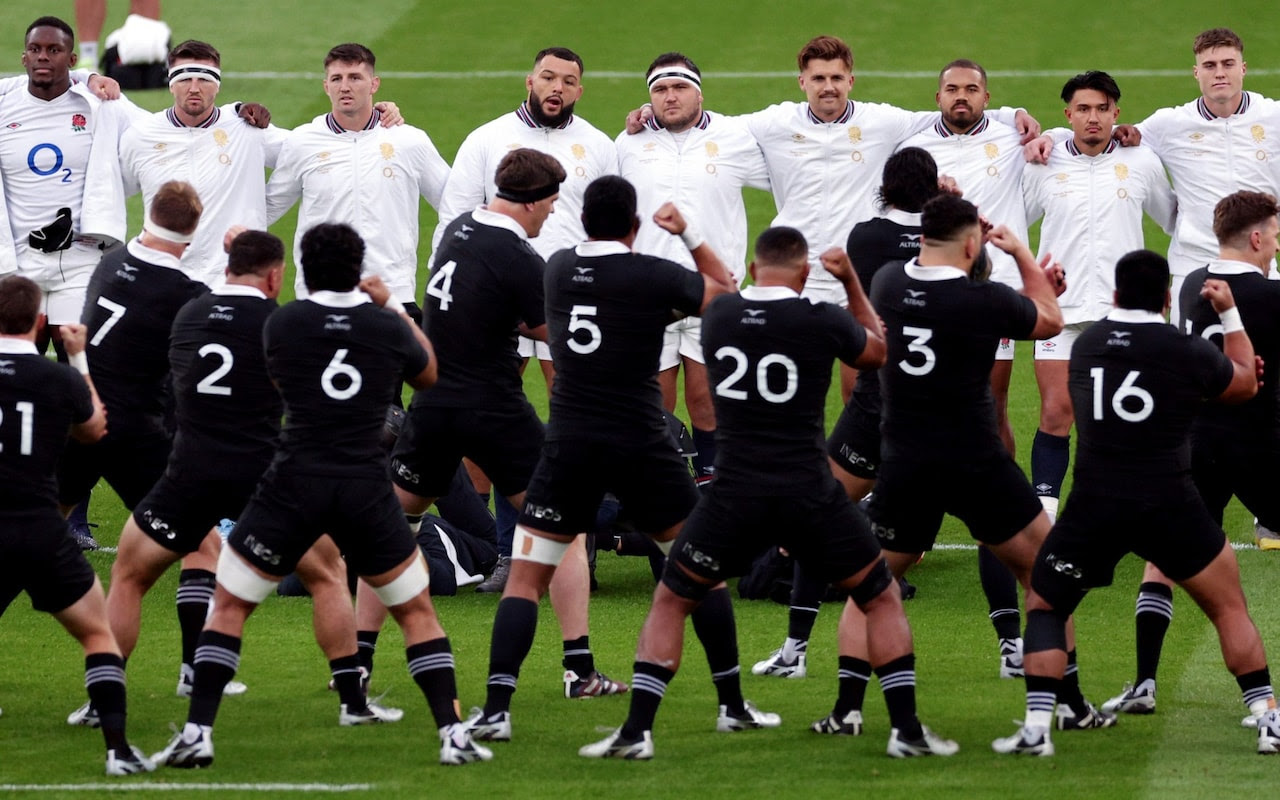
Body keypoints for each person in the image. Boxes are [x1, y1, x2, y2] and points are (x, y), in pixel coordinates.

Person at [582, 226, 959, 759]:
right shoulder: (822, 319)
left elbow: (716, 283)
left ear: (754, 269)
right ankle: (907, 732)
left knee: (671, 600)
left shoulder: (720, 317)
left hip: (734, 492)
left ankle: (636, 732)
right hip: (810, 489)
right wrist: (852, 282)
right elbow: (878, 353)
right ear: (805, 274)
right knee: (880, 597)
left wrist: (691, 234)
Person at [152, 223, 490, 769]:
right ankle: (451, 734)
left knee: (232, 603)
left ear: (297, 271)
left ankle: (197, 732)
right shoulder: (383, 325)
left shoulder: (284, 321)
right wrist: (395, 312)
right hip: (364, 488)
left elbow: (275, 381)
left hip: (292, 483)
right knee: (416, 611)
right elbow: (429, 375)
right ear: (359, 269)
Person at [466, 176, 777, 745]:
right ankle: (732, 704)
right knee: (698, 572)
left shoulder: (557, 266)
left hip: (569, 447)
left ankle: (495, 710)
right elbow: (723, 293)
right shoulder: (651, 274)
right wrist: (688, 234)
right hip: (642, 446)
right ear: (635, 226)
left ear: (585, 222)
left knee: (526, 579)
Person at [95, 228, 398, 727]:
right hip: (263, 476)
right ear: (276, 275)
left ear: (226, 263)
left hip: (188, 470)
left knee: (128, 576)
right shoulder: (281, 326)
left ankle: (100, 701)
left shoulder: (189, 311)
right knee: (327, 574)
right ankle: (352, 702)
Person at [992, 249, 1280, 757]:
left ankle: (1037, 727)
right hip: (1170, 501)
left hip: (1094, 503)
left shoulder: (1090, 346)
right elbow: (1243, 383)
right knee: (1228, 606)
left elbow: (1049, 329)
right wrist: (1230, 314)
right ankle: (1266, 718)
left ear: (1117, 294)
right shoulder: (1183, 350)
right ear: (1168, 297)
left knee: (1045, 604)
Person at [383, 148, 626, 697]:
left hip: (433, 404)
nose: (549, 215)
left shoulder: (462, 227)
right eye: (551, 204)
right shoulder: (519, 257)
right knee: (564, 529)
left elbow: (486, 302)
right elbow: (550, 329)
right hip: (492, 408)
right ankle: (579, 669)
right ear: (535, 201)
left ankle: (355, 664)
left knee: (392, 531)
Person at [866, 194, 1111, 730]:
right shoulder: (986, 300)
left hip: (905, 458)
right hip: (975, 460)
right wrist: (1025, 257)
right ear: (975, 242)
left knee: (875, 588)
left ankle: (846, 708)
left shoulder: (887, 282)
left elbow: (959, 298)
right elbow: (1048, 320)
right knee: (1045, 575)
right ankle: (1068, 705)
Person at [752, 148, 939, 685]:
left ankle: (794, 649)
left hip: (879, 404)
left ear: (884, 186)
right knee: (1009, 545)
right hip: (944, 419)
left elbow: (865, 307)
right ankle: (1014, 647)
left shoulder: (865, 237)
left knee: (817, 517)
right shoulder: (953, 241)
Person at [1102, 192, 1280, 718]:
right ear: (1254, 238)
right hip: (1259, 446)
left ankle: (1143, 683)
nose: (1274, 242)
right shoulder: (1271, 297)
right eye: (1272, 233)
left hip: (1192, 443)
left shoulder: (1190, 285)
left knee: (1162, 559)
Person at [58, 181, 223, 728]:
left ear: (149, 215)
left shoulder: (114, 259)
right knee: (201, 542)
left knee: (25, 541)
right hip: (131, 432)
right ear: (195, 231)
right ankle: (192, 668)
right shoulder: (187, 292)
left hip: (75, 415)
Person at [0, 274, 154, 775]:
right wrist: (80, 359)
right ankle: (117, 752)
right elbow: (94, 429)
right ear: (39, 321)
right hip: (41, 529)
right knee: (97, 635)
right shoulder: (59, 379)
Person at [0, 16, 140, 551]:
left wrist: (237, 117)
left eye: (53, 51)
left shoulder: (98, 102)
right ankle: (15, 504)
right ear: (23, 56)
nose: (42, 58)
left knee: (82, 384)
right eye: (33, 49)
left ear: (69, 58)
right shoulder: (7, 101)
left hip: (81, 264)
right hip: (16, 270)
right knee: (15, 386)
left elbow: (163, 130)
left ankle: (70, 515)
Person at [1027, 28, 1280, 322]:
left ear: (1243, 68)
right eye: (1210, 66)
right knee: (1191, 364)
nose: (1219, 73)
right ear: (1196, 72)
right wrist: (1052, 137)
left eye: (1228, 64)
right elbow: (1103, 135)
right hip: (1196, 265)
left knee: (1268, 362)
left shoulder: (1273, 116)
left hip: (1259, 261)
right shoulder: (1169, 124)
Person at [1021, 71, 1176, 523]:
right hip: (1060, 311)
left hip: (1125, 313)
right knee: (1056, 412)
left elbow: (1172, 221)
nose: (1093, 118)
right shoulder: (1042, 163)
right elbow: (1013, 220)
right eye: (1084, 109)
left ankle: (1130, 506)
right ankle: (1044, 515)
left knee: (1130, 414)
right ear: (1067, 114)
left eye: (1102, 109)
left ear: (1116, 114)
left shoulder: (1142, 161)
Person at [616, 52, 770, 491]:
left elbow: (791, 177)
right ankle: (663, 489)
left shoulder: (735, 137)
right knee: (655, 401)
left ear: (699, 92)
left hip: (714, 295)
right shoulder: (628, 143)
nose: (670, 97)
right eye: (660, 90)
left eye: (679, 87)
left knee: (708, 399)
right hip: (648, 298)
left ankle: (711, 484)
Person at [265, 42, 449, 317]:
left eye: (355, 78)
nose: (345, 87)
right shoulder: (303, 141)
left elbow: (453, 201)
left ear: (374, 84)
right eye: (336, 79)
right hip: (319, 293)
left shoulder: (409, 141)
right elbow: (267, 207)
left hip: (391, 292)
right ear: (326, 86)